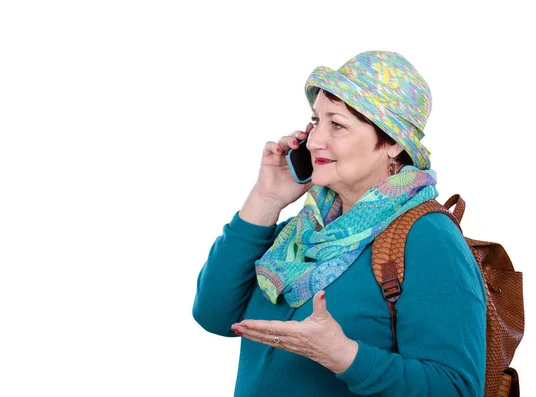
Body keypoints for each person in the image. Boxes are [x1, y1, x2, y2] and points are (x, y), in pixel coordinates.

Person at [192, 51, 486, 396]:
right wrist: (265, 199)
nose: (315, 141)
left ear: (392, 142)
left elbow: (456, 388)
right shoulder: (303, 234)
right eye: (316, 121)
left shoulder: (428, 237)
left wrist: (345, 356)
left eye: (337, 124)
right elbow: (214, 314)